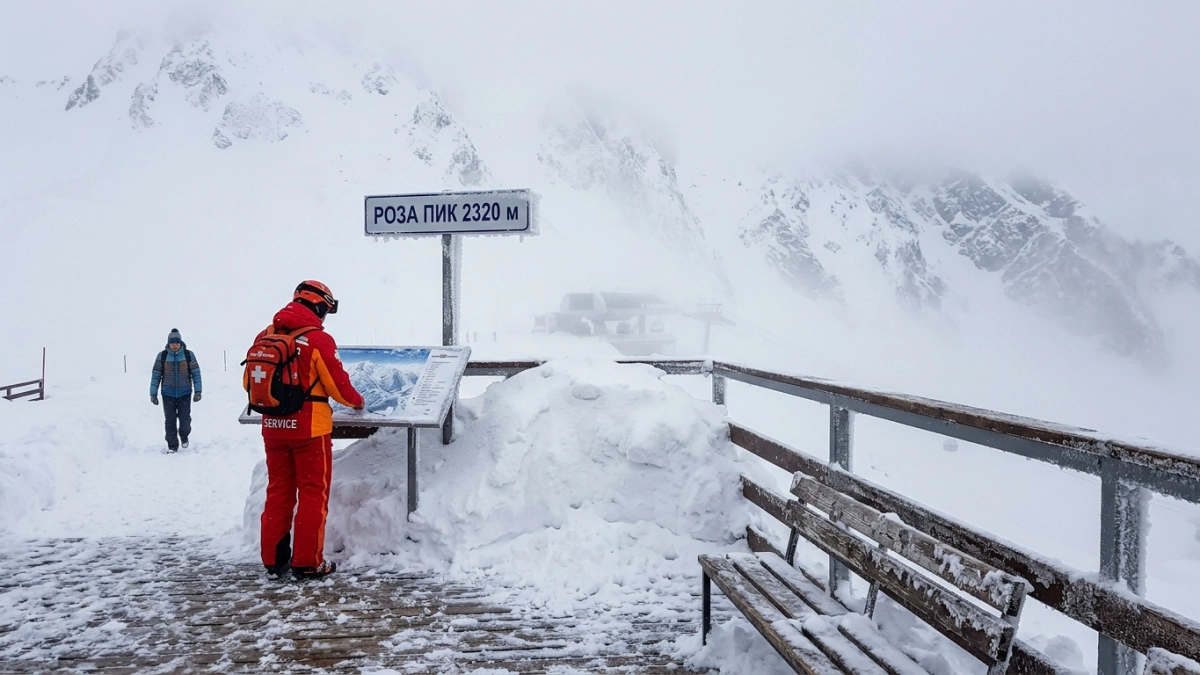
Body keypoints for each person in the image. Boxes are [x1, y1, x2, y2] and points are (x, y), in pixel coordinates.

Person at [250, 281, 364, 581]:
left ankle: (274, 561)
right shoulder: (317, 340)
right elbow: (339, 387)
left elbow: (250, 384)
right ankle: (307, 563)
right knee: (313, 494)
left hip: (272, 427)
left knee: (278, 492)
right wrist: (359, 402)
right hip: (310, 429)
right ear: (319, 307)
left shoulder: (266, 335)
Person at [150, 328, 202, 453]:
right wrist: (153, 393)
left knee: (185, 420)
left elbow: (196, 374)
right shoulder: (162, 356)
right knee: (170, 421)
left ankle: (184, 435)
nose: (174, 345)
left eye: (176, 343)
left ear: (180, 343)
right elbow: (156, 375)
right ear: (168, 343)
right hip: (168, 394)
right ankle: (172, 445)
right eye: (172, 343)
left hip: (185, 393)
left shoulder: (188, 355)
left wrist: (198, 391)